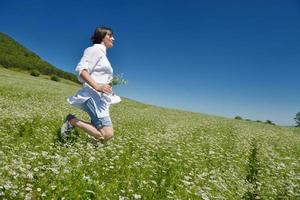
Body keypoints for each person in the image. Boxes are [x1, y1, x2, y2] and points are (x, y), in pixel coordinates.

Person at [60, 26, 120, 141]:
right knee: (106, 134)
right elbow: (81, 70)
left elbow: (100, 76)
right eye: (110, 36)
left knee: (102, 135)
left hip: (101, 99)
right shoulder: (95, 50)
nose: (113, 39)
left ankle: (92, 151)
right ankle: (72, 121)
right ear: (102, 37)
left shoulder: (103, 55)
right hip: (92, 96)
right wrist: (97, 86)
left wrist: (108, 87)